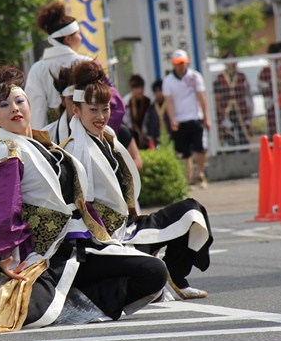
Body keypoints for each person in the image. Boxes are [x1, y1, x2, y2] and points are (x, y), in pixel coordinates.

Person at [0, 66, 167, 335]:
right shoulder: (8, 151)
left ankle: (78, 301)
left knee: (153, 273)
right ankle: (64, 299)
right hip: (47, 256)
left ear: (29, 105)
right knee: (30, 311)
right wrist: (2, 257)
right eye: (4, 105)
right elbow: (1, 207)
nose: (14, 108)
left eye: (19, 101)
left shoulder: (46, 145)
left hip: (81, 247)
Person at [64, 61, 213, 300]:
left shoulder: (109, 137)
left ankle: (176, 276)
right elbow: (83, 207)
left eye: (105, 109)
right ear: (76, 110)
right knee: (151, 273)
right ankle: (155, 276)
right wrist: (110, 240)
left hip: (129, 226)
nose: (101, 116)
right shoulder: (75, 149)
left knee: (193, 211)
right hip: (106, 240)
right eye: (93, 110)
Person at [25, 2, 126, 130]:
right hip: (89, 129)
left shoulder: (37, 68)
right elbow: (111, 99)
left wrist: (40, 140)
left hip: (52, 134)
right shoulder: (89, 64)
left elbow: (36, 108)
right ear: (68, 39)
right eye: (78, 33)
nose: (81, 37)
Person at [162, 49, 212, 187]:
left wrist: (207, 117)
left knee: (200, 148)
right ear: (173, 64)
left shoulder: (195, 76)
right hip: (179, 120)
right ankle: (188, 179)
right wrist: (172, 119)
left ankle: (201, 175)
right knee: (184, 153)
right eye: (178, 63)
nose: (180, 65)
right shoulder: (168, 81)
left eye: (183, 63)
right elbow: (169, 102)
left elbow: (202, 98)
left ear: (187, 62)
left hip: (196, 117)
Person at [213, 52, 252, 146]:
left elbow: (247, 93)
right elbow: (217, 96)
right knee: (228, 132)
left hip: (240, 108)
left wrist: (249, 110)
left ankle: (244, 148)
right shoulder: (219, 77)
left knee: (242, 131)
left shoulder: (241, 76)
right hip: (226, 109)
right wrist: (219, 111)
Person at [258, 43, 280, 136]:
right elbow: (262, 86)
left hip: (279, 100)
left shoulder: (266, 70)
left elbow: (261, 86)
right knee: (273, 123)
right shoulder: (266, 70)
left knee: (274, 123)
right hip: (271, 101)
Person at [126, 74, 151, 148]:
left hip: (147, 137)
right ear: (132, 89)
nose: (140, 90)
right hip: (133, 138)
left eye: (141, 87)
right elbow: (127, 123)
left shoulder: (148, 101)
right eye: (136, 88)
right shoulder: (127, 102)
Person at [144, 79, 164, 148]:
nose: (158, 93)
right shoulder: (151, 108)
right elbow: (148, 124)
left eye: (160, 90)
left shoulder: (170, 106)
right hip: (157, 140)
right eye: (156, 91)